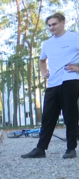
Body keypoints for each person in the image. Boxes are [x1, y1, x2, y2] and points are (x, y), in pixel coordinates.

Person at [21, 13, 79, 159]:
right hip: (53, 82)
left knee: (70, 115)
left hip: (70, 80)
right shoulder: (47, 43)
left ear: (63, 22)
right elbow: (42, 61)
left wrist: (78, 68)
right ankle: (40, 149)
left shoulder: (75, 37)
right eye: (49, 25)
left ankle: (71, 148)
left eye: (54, 24)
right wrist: (44, 72)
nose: (51, 27)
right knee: (48, 116)